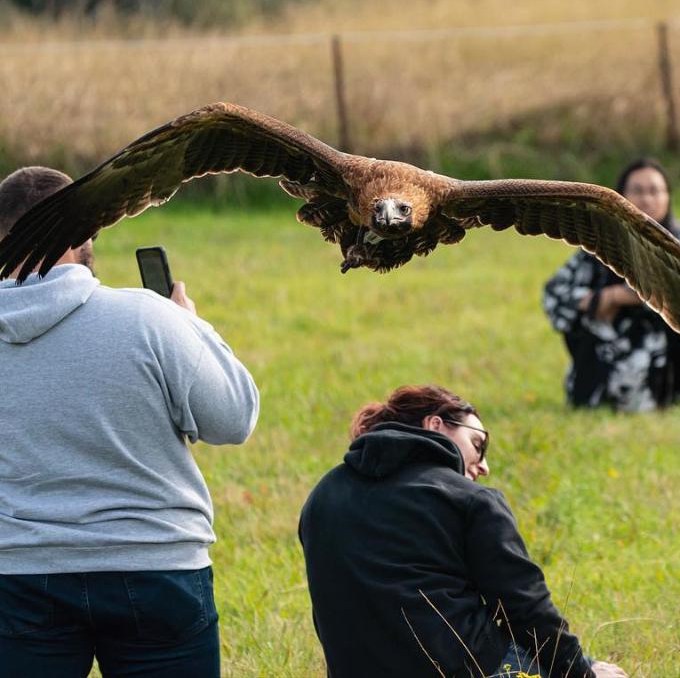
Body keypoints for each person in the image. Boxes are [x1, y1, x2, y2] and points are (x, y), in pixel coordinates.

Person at [0, 167, 261, 677]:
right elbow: (234, 418)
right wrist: (192, 324)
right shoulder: (151, 319)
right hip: (157, 570)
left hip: (19, 575)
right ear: (83, 233)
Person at [299, 384, 626, 678]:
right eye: (478, 444)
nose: (484, 466)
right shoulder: (469, 500)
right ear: (435, 425)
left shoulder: (323, 494)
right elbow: (528, 611)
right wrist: (584, 673)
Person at [542, 158, 680, 412]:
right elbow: (555, 292)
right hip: (607, 346)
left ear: (668, 197)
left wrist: (612, 297)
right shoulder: (600, 241)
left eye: (655, 191)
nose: (647, 199)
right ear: (620, 197)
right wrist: (592, 301)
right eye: (638, 191)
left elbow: (675, 289)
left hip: (661, 346)